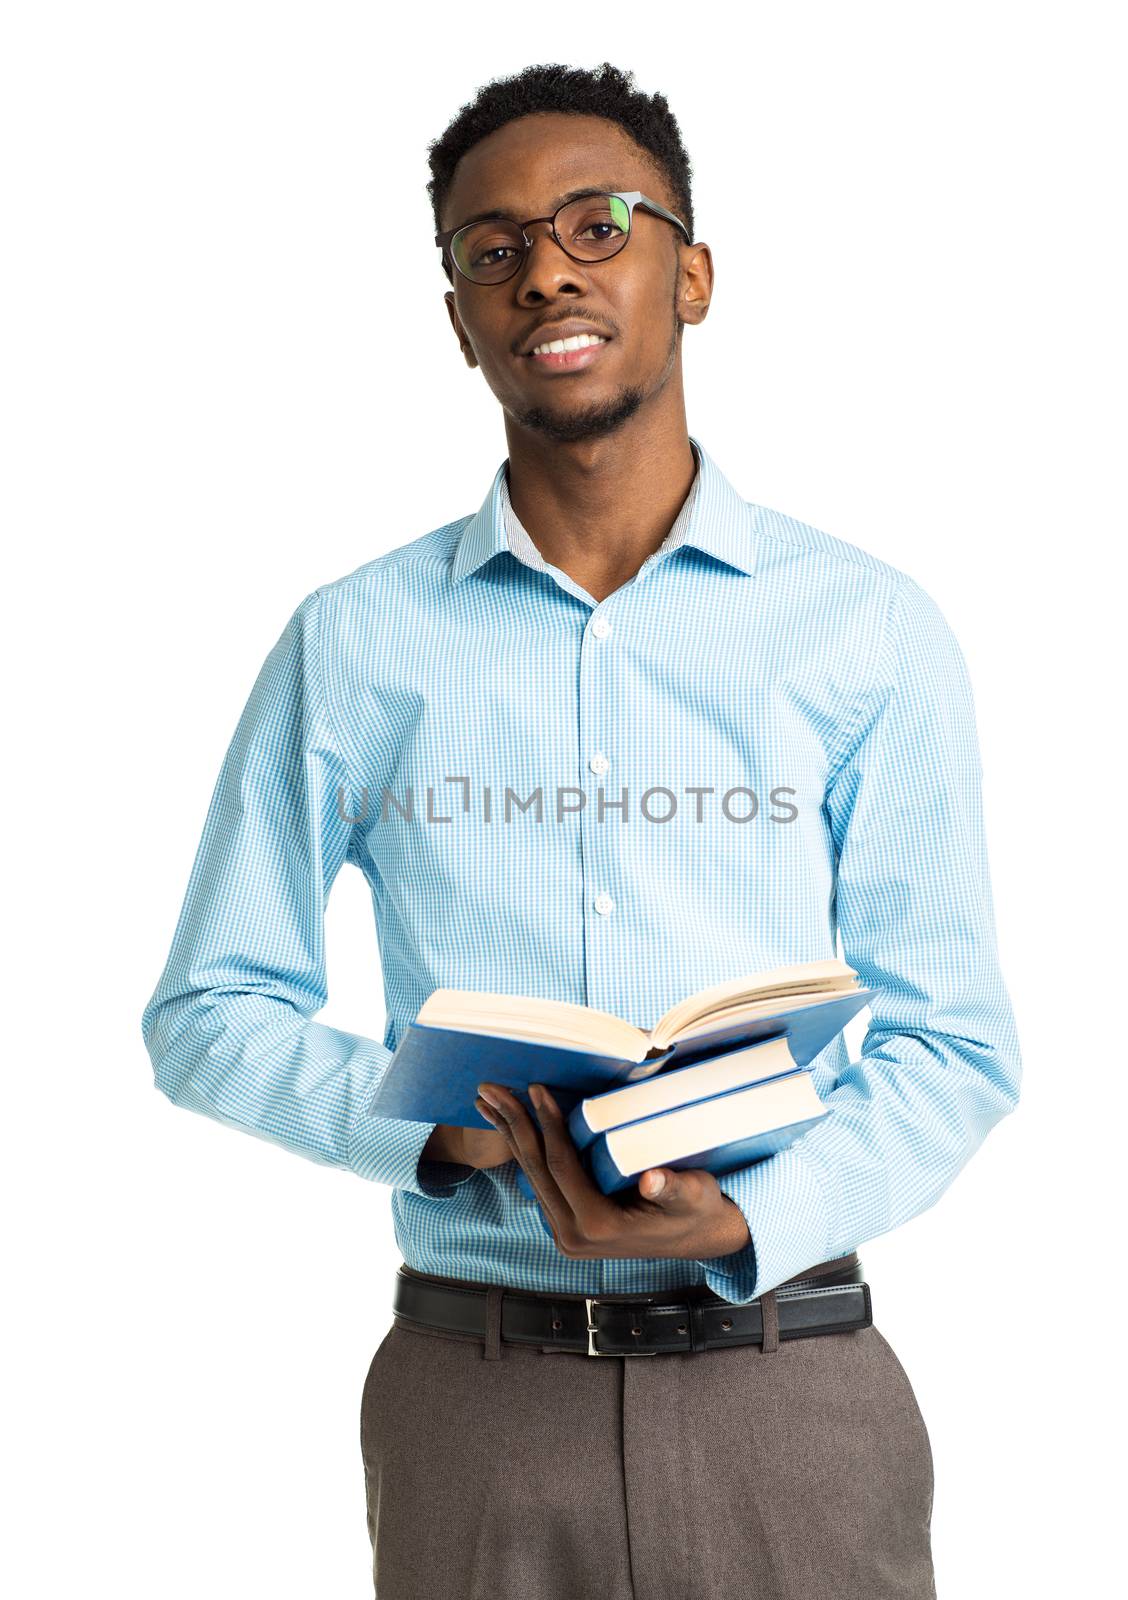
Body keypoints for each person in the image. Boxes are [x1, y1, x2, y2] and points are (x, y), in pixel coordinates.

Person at [141, 60, 1021, 1600]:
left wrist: (748, 1214)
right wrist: (439, 1127)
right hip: (480, 1402)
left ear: (689, 272)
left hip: (789, 1390)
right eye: (493, 248)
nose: (544, 265)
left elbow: (957, 1048)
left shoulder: (870, 630)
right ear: (461, 317)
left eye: (596, 224)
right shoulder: (355, 641)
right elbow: (207, 1013)